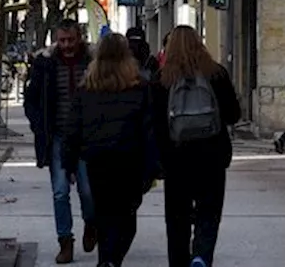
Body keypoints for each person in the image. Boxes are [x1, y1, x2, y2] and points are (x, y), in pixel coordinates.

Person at [63, 33, 160, 267]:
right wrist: (153, 166)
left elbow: (73, 129)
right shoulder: (139, 87)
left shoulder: (86, 89)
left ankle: (107, 260)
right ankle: (111, 259)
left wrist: (69, 162)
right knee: (127, 216)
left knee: (104, 213)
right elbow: (149, 131)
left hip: (97, 159)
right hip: (129, 160)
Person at [152, 25, 241, 267]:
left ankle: (179, 262)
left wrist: (158, 159)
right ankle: (201, 255)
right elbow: (234, 114)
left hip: (176, 159)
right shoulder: (216, 74)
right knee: (209, 213)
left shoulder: (162, 80)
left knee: (177, 219)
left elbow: (156, 124)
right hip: (211, 156)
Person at [23, 19, 97, 264]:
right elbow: (31, 100)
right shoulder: (46, 65)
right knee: (59, 191)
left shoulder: (93, 63)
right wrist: (38, 126)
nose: (66, 45)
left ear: (79, 38)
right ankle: (65, 241)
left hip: (86, 137)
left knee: (88, 190)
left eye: (71, 40)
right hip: (58, 136)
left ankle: (91, 222)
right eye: (62, 40)